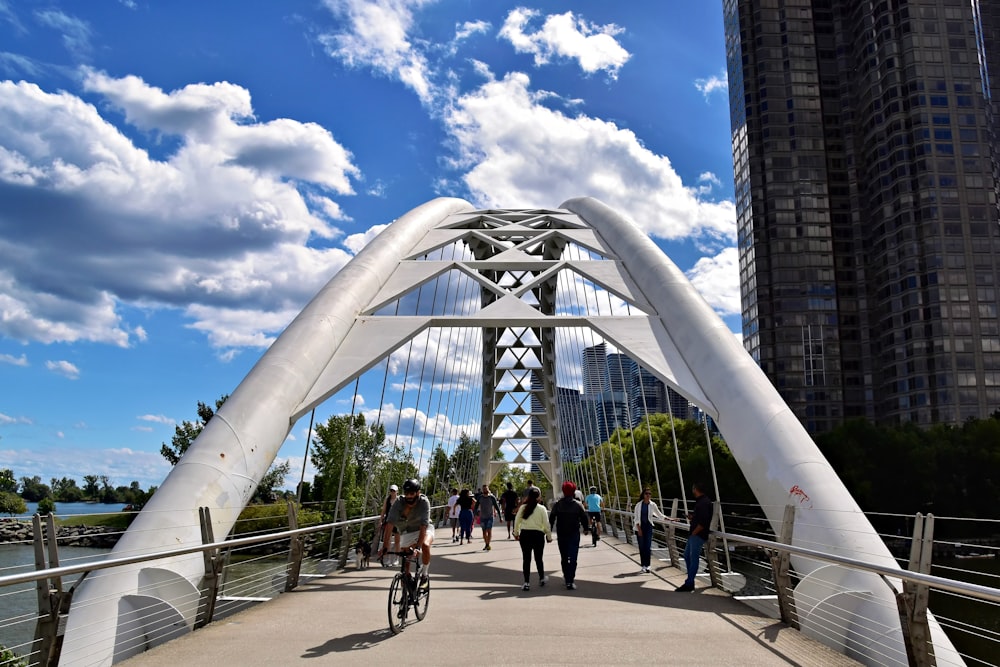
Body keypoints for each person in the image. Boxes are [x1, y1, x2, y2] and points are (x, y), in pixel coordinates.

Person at [378, 478, 434, 581]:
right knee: (405, 567)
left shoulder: (424, 502)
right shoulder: (399, 501)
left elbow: (423, 526)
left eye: (412, 493)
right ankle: (405, 591)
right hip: (408, 530)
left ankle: (425, 574)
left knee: (425, 545)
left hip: (425, 529)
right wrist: (385, 547)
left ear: (418, 493)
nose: (409, 496)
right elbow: (389, 524)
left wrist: (418, 547)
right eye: (406, 493)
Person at [549, 481, 590, 590]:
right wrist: (586, 529)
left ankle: (566, 577)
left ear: (563, 491)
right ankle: (570, 580)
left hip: (561, 534)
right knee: (573, 557)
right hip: (574, 534)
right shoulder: (578, 505)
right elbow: (584, 518)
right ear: (573, 491)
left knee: (564, 557)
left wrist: (549, 530)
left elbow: (552, 517)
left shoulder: (557, 505)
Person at [676, 482, 713, 592]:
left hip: (697, 535)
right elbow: (701, 518)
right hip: (695, 534)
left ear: (695, 489)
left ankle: (689, 583)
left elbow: (703, 521)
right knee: (687, 555)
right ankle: (690, 580)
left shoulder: (703, 503)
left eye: (693, 489)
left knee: (693, 558)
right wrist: (692, 518)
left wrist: (695, 532)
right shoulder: (702, 502)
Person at [513, 486, 551, 590]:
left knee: (526, 559)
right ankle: (542, 578)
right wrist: (549, 536)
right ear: (538, 498)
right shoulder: (542, 509)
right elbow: (546, 524)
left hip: (525, 535)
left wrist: (516, 533)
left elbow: (517, 521)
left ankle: (526, 582)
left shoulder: (523, 508)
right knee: (539, 558)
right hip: (538, 535)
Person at [633, 487, 666, 574]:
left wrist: (670, 519)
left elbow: (659, 515)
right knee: (642, 547)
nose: (648, 495)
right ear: (643, 495)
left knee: (648, 547)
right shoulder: (638, 505)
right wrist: (639, 530)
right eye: (646, 494)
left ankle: (648, 565)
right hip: (640, 527)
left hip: (648, 527)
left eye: (649, 494)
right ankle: (643, 565)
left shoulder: (652, 505)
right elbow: (636, 518)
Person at [475, 484, 502, 551]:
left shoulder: (492, 497)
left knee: (489, 531)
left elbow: (497, 507)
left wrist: (500, 516)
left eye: (486, 489)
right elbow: (476, 506)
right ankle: (486, 544)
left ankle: (487, 544)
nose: (485, 490)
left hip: (490, 516)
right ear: (482, 490)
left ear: (488, 489)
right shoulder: (480, 497)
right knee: (484, 532)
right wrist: (475, 514)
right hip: (482, 517)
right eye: (483, 489)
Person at [380, 484, 401, 565]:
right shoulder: (387, 499)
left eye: (394, 491)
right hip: (388, 521)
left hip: (397, 522)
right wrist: (380, 520)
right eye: (391, 491)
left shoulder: (399, 500)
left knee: (397, 541)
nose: (392, 492)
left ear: (397, 492)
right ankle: (388, 558)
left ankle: (397, 558)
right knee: (387, 540)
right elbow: (383, 510)